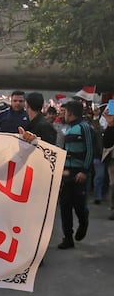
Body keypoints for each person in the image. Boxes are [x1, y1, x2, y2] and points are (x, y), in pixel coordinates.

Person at [56, 100, 94, 249]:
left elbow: (90, 150)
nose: (63, 115)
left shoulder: (85, 128)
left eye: (64, 112)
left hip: (79, 174)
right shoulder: (67, 129)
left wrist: (84, 171)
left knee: (79, 205)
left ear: (70, 113)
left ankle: (83, 221)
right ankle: (68, 238)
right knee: (64, 205)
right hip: (66, 173)